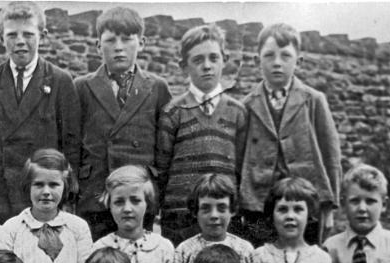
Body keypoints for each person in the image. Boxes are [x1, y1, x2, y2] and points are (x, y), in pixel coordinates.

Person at [0, 0, 80, 223]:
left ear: (42, 35)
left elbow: (71, 145)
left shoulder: (60, 81)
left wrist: (67, 196)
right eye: (12, 35)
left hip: (43, 194)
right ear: (0, 37)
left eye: (28, 34)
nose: (20, 42)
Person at [240, 23, 342, 247]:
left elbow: (331, 156)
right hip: (259, 205)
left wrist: (328, 207)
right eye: (269, 56)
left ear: (299, 61)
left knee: (304, 262)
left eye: (285, 56)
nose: (277, 63)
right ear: (257, 60)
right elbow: (239, 160)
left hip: (306, 204)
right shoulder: (247, 105)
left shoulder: (313, 100)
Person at [75, 6, 171, 239]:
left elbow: (164, 147)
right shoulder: (81, 87)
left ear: (142, 43)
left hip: (138, 194)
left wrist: (155, 187)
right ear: (98, 46)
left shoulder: (156, 87)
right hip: (96, 194)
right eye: (110, 40)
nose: (118, 47)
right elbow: (72, 141)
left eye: (127, 39)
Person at [156, 24, 247, 246]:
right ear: (183, 66)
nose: (207, 66)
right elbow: (161, 169)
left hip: (222, 217)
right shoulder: (173, 112)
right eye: (198, 60)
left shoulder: (237, 112)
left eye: (213, 58)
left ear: (224, 60)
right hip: (180, 218)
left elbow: (242, 168)